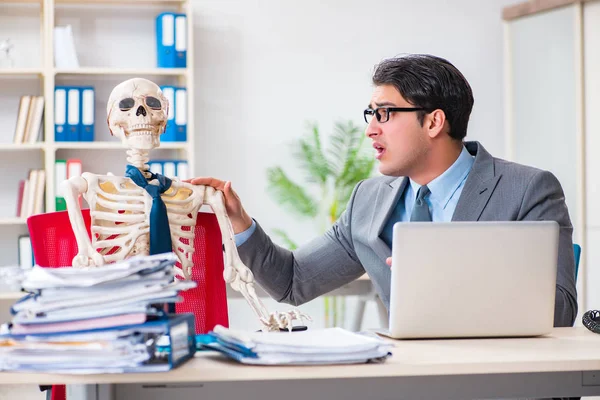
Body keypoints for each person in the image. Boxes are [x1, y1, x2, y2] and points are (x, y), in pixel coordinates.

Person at [189, 54, 578, 328]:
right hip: (408, 381)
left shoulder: (527, 190)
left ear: (434, 122)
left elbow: (560, 312)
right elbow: (292, 282)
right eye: (370, 115)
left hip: (499, 384)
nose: (371, 128)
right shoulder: (368, 201)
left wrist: (450, 271)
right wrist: (240, 223)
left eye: (385, 114)